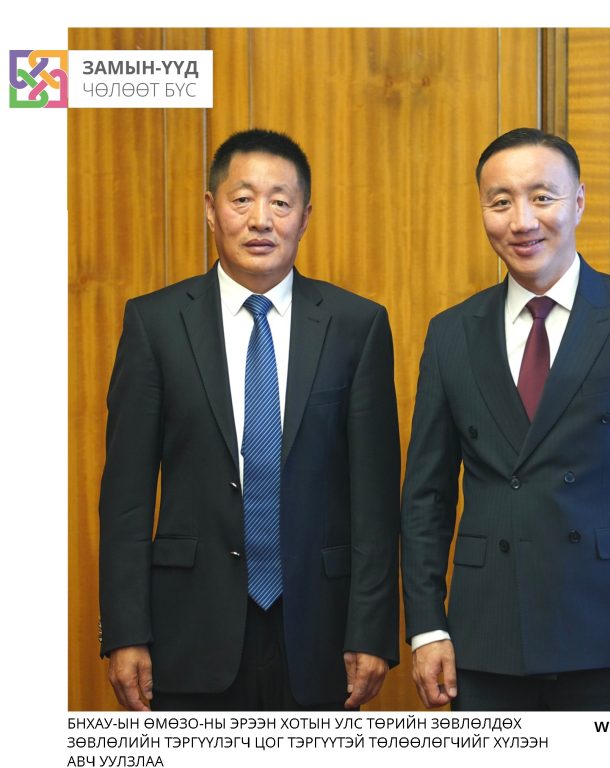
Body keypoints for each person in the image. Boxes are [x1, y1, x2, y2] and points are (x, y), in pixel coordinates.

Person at [400, 128, 610, 711]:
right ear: (483, 210)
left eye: (542, 197)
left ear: (579, 201)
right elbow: (426, 497)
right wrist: (427, 625)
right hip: (484, 636)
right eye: (501, 202)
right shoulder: (451, 333)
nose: (522, 221)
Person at [99, 128, 401, 711]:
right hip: (188, 628)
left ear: (305, 217)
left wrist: (371, 631)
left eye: (280, 202)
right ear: (211, 210)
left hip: (320, 628)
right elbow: (127, 498)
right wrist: (125, 631)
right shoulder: (155, 324)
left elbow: (375, 497)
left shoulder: (356, 325)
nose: (261, 219)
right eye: (242, 199)